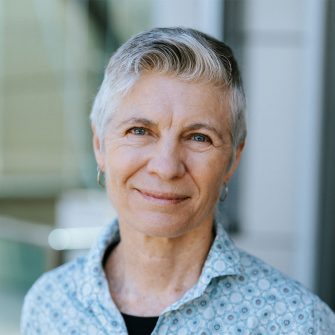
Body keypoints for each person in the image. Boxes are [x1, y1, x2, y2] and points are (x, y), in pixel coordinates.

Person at [21, 27, 335, 334]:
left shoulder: (295, 322)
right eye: (140, 131)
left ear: (232, 159)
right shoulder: (50, 304)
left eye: (199, 137)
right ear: (100, 146)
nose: (167, 167)